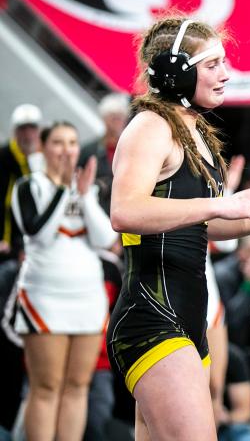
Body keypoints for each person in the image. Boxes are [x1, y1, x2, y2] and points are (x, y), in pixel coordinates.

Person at [107, 16, 250, 440]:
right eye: (213, 65)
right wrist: (220, 202)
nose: (226, 74)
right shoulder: (151, 126)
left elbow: (198, 225)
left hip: (187, 317)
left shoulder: (196, 133)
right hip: (153, 316)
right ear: (176, 72)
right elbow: (125, 211)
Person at [10, 121, 116, 441]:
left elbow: (105, 239)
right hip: (44, 297)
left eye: (72, 142)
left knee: (77, 386)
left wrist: (83, 196)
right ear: (43, 148)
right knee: (46, 386)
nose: (67, 150)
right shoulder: (29, 186)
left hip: (87, 298)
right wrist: (61, 188)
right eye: (58, 142)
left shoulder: (88, 187)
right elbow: (38, 235)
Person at [1, 104, 43, 261]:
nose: (28, 135)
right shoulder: (4, 157)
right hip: (8, 244)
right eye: (22, 129)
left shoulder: (43, 159)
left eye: (32, 129)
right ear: (15, 132)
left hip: (33, 241)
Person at [80, 93, 130, 214]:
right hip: (95, 212)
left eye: (121, 117)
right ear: (104, 119)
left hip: (122, 211)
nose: (118, 121)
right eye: (114, 117)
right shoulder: (89, 151)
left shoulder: (131, 149)